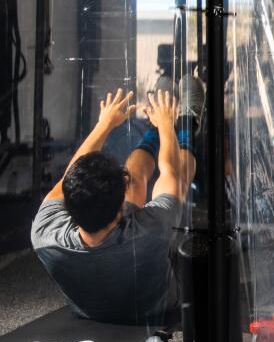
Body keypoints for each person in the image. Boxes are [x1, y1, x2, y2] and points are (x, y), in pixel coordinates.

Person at [30, 87, 199, 326]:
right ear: (122, 208)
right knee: (177, 179)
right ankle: (188, 127)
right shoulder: (153, 231)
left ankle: (152, 131)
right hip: (156, 307)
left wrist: (105, 123)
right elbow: (169, 172)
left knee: (134, 177)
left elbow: (66, 182)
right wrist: (167, 125)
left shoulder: (44, 236)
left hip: (91, 311)